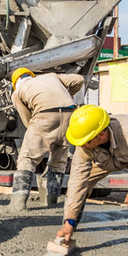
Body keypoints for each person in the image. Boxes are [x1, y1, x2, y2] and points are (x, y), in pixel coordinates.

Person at [53, 105, 128, 251]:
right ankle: (70, 228)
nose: (81, 145)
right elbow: (77, 182)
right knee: (82, 185)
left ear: (101, 135)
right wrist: (68, 221)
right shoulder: (85, 145)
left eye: (86, 142)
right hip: (106, 158)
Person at [9, 68, 84, 211]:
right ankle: (52, 202)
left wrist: (39, 134)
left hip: (44, 115)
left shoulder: (17, 92)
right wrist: (69, 95)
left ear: (15, 82)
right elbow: (79, 80)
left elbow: (27, 119)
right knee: (59, 159)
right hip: (70, 114)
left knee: (27, 159)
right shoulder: (52, 76)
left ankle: (18, 204)